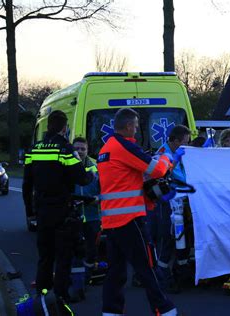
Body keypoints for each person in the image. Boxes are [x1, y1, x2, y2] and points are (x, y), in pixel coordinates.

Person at [97, 108, 178, 316]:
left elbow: (123, 181)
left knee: (116, 272)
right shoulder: (124, 146)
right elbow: (158, 170)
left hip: (112, 221)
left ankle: (111, 312)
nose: (136, 129)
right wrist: (166, 158)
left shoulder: (106, 148)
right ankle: (165, 310)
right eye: (135, 125)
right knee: (148, 266)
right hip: (130, 220)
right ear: (128, 126)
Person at [22, 110, 94, 311]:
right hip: (62, 211)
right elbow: (81, 177)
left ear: (48, 126)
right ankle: (59, 299)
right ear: (64, 128)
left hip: (42, 211)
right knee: (63, 257)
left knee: (45, 256)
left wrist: (30, 211)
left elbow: (27, 185)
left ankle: (42, 296)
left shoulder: (34, 149)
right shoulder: (64, 149)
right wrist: (91, 174)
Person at [153, 125, 192, 293]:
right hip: (165, 203)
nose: (186, 146)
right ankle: (161, 279)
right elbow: (160, 174)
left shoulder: (178, 151)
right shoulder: (163, 153)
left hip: (180, 201)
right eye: (184, 143)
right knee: (166, 239)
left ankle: (180, 275)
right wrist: (175, 159)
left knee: (181, 239)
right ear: (175, 141)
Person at [72, 137, 102, 281]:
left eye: (83, 149)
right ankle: (78, 280)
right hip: (74, 215)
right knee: (76, 249)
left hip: (92, 215)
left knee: (91, 250)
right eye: (77, 148)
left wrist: (98, 198)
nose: (80, 151)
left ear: (87, 150)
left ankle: (88, 276)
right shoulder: (68, 166)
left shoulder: (96, 168)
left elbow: (105, 191)